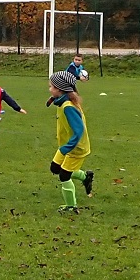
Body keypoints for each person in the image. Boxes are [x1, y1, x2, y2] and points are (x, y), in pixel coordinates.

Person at [47, 70, 94, 211]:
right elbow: (59, 100)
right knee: (55, 168)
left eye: (51, 86)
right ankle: (85, 177)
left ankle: (71, 206)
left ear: (60, 89)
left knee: (64, 176)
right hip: (66, 145)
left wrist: (67, 148)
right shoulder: (64, 100)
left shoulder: (68, 107)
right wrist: (52, 99)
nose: (49, 89)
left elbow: (79, 131)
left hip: (76, 148)